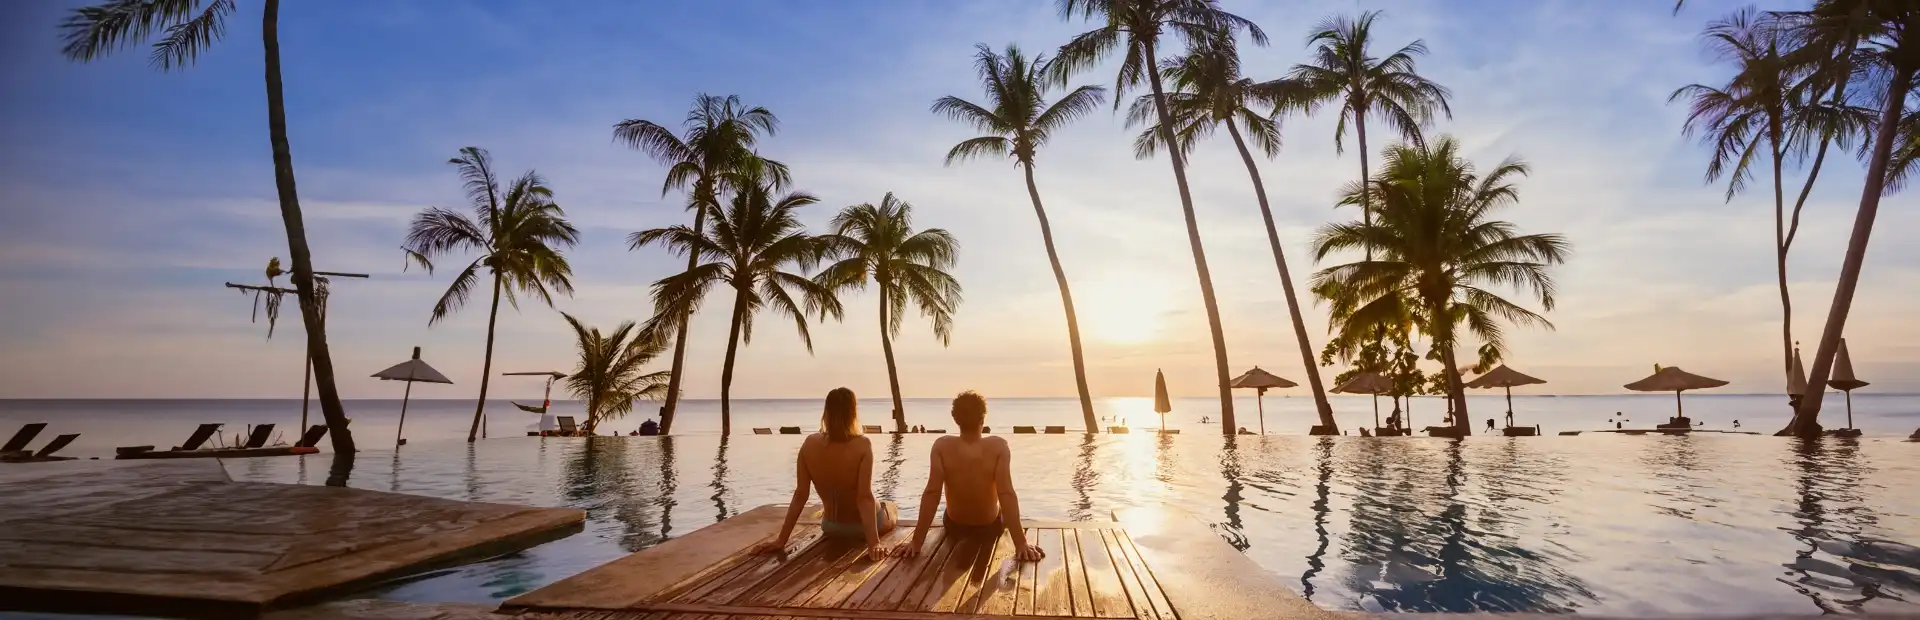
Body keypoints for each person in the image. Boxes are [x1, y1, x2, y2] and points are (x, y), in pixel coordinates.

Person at [893, 391, 1044, 561]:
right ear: (983, 418)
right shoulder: (999, 446)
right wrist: (1021, 543)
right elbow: (1006, 494)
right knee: (1002, 508)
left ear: (955, 418)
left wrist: (916, 542)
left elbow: (932, 494)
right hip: (990, 527)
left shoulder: (941, 446)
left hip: (955, 526)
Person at [754, 388, 896, 560]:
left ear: (826, 412)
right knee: (890, 506)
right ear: (853, 413)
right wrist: (874, 543)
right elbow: (864, 497)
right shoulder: (863, 445)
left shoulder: (809, 443)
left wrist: (781, 540)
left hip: (830, 526)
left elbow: (800, 494)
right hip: (860, 528)